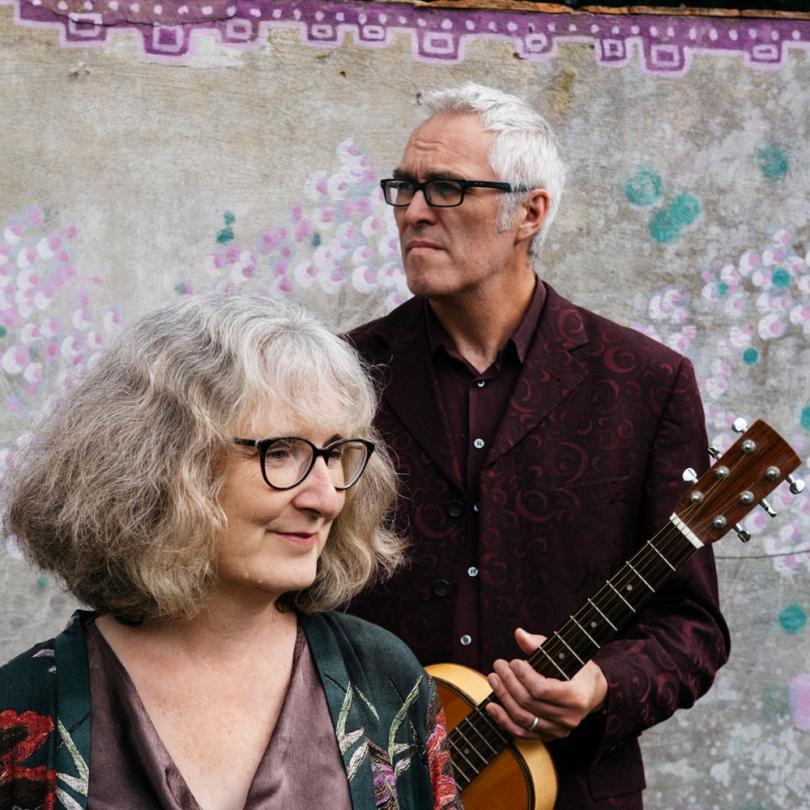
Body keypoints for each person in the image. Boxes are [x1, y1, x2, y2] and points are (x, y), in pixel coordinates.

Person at [346, 83, 730, 808]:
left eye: (447, 187)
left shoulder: (647, 383)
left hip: (572, 792)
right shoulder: (342, 378)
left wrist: (599, 686)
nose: (414, 211)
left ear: (530, 212)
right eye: (404, 187)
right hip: (368, 791)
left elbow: (692, 625)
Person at [0, 293, 462, 810]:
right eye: (280, 452)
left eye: (334, 454)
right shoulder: (21, 711)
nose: (326, 498)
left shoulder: (384, 681)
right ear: (161, 465)